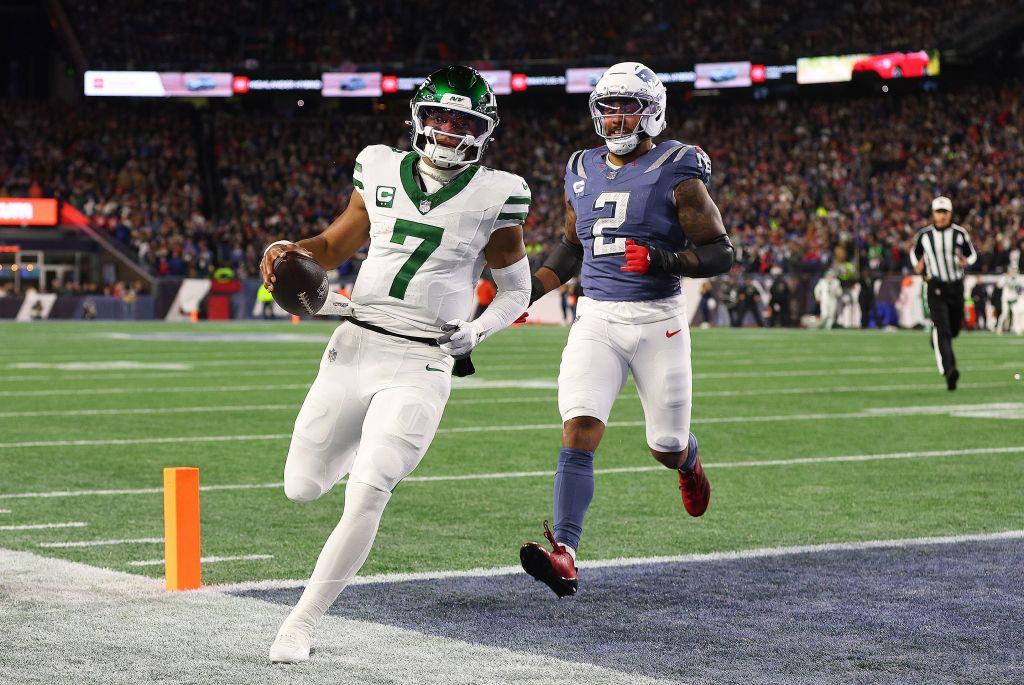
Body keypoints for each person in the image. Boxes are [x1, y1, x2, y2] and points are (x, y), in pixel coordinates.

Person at [260, 66, 531, 662]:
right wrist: (288, 251)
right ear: (419, 117)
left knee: (368, 491)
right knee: (302, 487)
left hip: (423, 359)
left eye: (462, 121)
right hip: (355, 343)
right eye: (440, 116)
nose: (448, 130)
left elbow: (516, 289)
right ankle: (371, 441)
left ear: (482, 131)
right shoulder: (378, 164)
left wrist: (477, 330)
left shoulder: (499, 191)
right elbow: (333, 246)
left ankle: (299, 625)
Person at [517, 62, 734, 597]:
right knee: (579, 425)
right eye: (607, 107)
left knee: (664, 443)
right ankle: (565, 552)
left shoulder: (677, 167)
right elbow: (572, 246)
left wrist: (662, 259)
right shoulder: (581, 166)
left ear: (651, 109)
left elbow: (721, 252)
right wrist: (523, 292)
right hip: (596, 316)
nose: (615, 119)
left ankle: (688, 460)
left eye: (626, 106)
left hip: (658, 321)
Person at [910, 196, 977, 390]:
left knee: (953, 329)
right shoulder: (924, 235)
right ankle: (950, 371)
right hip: (935, 286)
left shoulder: (959, 233)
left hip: (955, 286)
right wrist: (918, 265)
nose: (941, 216)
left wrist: (967, 262)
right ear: (932, 213)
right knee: (943, 329)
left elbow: (971, 253)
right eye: (938, 212)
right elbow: (914, 254)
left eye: (944, 212)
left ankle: (936, 338)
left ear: (950, 213)